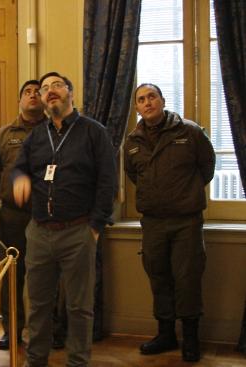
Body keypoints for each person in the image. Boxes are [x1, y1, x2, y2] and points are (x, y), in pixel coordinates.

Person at [13, 72, 116, 367]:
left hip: (78, 231)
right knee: (37, 307)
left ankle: (78, 363)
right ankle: (35, 362)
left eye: (56, 85)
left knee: (79, 307)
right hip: (39, 232)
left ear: (71, 92)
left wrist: (95, 227)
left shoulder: (93, 132)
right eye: (44, 88)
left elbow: (107, 183)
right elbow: (19, 168)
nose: (49, 91)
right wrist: (20, 179)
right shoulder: (36, 136)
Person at [124, 83, 215, 362]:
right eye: (141, 99)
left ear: (162, 100)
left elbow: (207, 167)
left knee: (187, 279)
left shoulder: (189, 131)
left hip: (186, 221)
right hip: (152, 222)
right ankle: (166, 334)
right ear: (137, 108)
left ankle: (190, 338)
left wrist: (183, 193)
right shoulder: (132, 141)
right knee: (158, 278)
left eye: (152, 97)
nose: (147, 102)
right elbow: (133, 175)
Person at [0, 80, 48, 350]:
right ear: (20, 100)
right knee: (12, 277)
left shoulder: (57, 130)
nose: (32, 96)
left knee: (47, 276)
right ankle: (11, 330)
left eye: (37, 92)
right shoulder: (4, 135)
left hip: (48, 217)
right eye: (27, 92)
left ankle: (48, 330)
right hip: (11, 217)